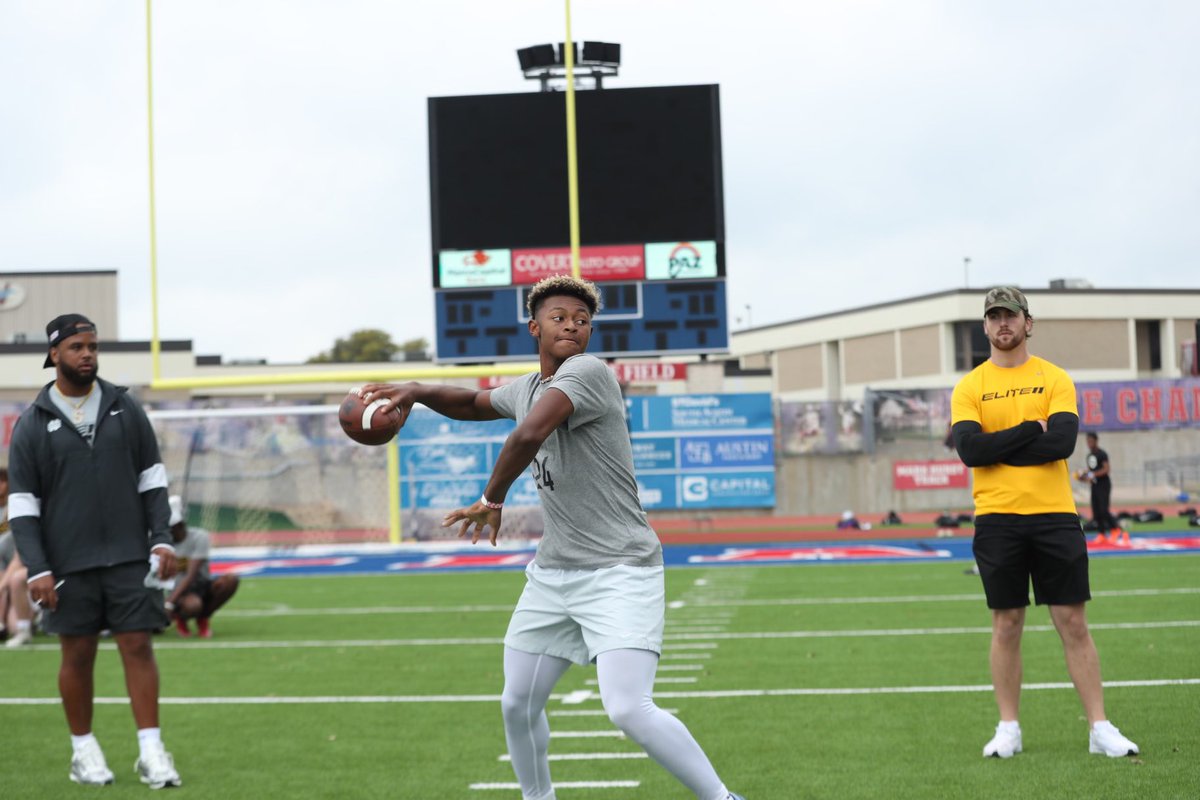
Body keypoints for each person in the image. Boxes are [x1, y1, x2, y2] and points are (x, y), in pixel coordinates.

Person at [360, 276, 745, 800]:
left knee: (628, 708)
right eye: (560, 317)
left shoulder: (586, 372)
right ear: (534, 327)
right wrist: (417, 393)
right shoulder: (526, 387)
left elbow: (529, 433)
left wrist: (490, 500)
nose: (572, 325)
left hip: (620, 569)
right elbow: (474, 402)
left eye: (582, 320)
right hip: (555, 574)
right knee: (516, 704)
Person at [950, 287, 1139, 759]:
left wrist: (1002, 445)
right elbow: (971, 451)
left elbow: (1061, 445)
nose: (1002, 324)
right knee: (1007, 622)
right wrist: (1030, 430)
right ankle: (1008, 728)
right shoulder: (970, 386)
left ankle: (1099, 728)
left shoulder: (1054, 378)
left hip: (1054, 516)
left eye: (1009, 315)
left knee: (1073, 621)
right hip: (996, 518)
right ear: (985, 327)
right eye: (993, 317)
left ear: (1028, 322)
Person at [7, 314, 183, 788]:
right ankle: (83, 753)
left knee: (139, 646)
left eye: (92, 346)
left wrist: (161, 536)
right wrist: (37, 567)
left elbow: (153, 478)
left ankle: (152, 752)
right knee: (77, 656)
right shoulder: (30, 424)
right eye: (76, 347)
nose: (87, 354)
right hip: (67, 563)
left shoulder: (126, 407)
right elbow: (23, 506)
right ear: (54, 355)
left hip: (129, 555)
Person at [164, 495, 240, 638]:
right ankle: (180, 618)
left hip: (200, 585)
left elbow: (191, 574)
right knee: (192, 605)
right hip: (178, 591)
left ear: (180, 525)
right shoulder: (163, 543)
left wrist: (168, 604)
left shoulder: (200, 537)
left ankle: (203, 618)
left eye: (171, 528)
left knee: (230, 580)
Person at [1075, 432, 1127, 545]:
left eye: (1091, 441)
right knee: (1096, 511)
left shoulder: (1102, 454)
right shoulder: (1089, 456)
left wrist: (1094, 475)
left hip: (1104, 485)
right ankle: (1102, 533)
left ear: (1096, 441)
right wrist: (1082, 477)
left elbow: (1106, 469)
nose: (1089, 443)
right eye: (1088, 441)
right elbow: (1090, 473)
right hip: (1094, 485)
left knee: (1104, 510)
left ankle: (1116, 530)